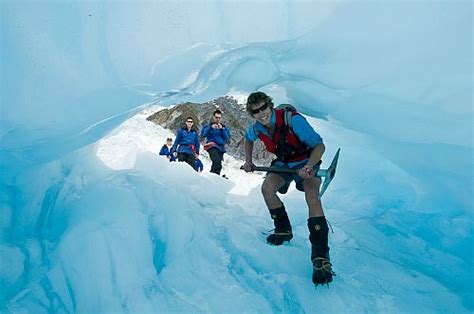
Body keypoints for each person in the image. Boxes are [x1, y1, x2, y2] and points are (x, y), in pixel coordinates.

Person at [242, 91, 334, 286]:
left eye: (264, 108)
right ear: (252, 114)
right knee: (267, 188)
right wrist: (248, 160)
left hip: (307, 163)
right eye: (256, 111)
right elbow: (247, 139)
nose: (261, 114)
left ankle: (321, 256)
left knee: (312, 196)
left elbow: (319, 145)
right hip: (283, 164)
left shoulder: (292, 120)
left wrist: (309, 166)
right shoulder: (257, 128)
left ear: (270, 105)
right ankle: (283, 230)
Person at [200, 109, 231, 175]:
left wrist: (222, 129)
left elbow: (227, 139)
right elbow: (203, 134)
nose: (218, 119)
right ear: (213, 117)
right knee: (217, 162)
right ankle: (213, 178)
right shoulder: (208, 126)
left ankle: (213, 177)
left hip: (221, 148)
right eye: (216, 117)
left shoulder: (224, 128)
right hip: (212, 146)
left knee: (217, 165)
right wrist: (210, 127)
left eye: (219, 118)